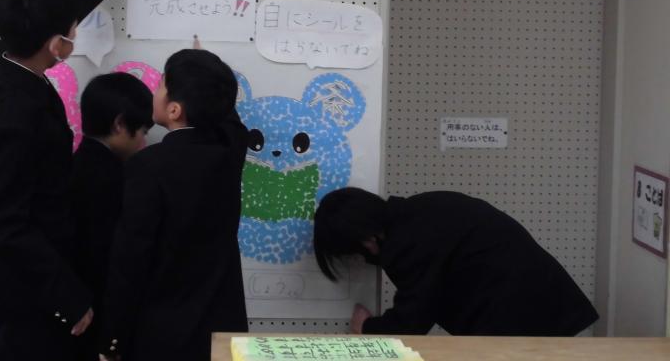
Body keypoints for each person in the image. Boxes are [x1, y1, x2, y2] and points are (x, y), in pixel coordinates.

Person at [0, 0, 135, 361]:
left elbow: (39, 18)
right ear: (57, 46)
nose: (75, 34)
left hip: (2, 279)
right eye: (72, 30)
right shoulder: (17, 114)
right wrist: (67, 294)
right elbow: (0, 220)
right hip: (18, 299)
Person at [99, 49, 249, 361]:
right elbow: (231, 123)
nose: (154, 90)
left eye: (161, 85)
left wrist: (112, 339)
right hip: (223, 334)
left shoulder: (146, 167)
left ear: (175, 109)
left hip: (163, 335)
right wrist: (206, 76)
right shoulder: (230, 153)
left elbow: (130, 261)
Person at [314, 187, 599, 336]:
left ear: (367, 240)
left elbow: (411, 321)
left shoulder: (407, 245)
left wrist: (366, 328)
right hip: (545, 310)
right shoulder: (423, 208)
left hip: (526, 323)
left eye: (354, 254)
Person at [70, 72, 154, 361]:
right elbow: (115, 261)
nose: (143, 141)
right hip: (97, 318)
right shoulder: (115, 179)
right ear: (119, 124)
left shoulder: (74, 165)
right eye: (142, 131)